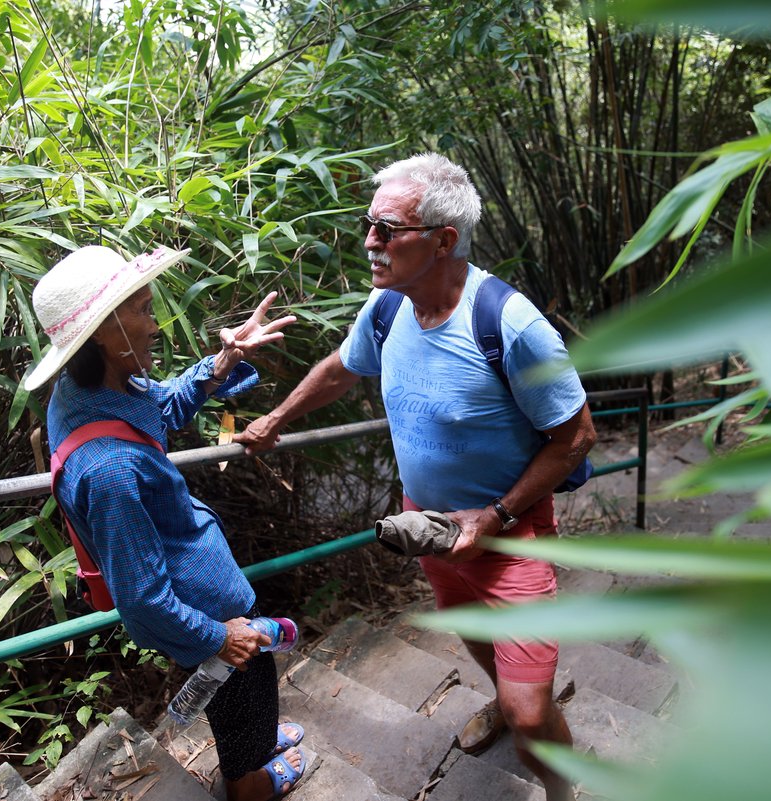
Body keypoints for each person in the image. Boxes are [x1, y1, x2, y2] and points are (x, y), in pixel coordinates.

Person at [235, 154, 596, 801]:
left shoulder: (510, 325)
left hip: (508, 532)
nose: (368, 241)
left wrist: (498, 515)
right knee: (473, 631)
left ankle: (563, 790)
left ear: (443, 240)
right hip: (427, 526)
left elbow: (577, 437)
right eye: (368, 224)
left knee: (533, 712)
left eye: (386, 228)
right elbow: (342, 368)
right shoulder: (387, 308)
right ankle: (500, 699)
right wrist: (276, 417)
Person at [23, 244, 306, 800]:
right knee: (246, 678)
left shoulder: (94, 390)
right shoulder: (106, 469)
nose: (155, 326)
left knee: (239, 696)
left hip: (192, 574)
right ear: (105, 330)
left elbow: (162, 409)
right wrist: (217, 636)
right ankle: (248, 782)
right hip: (199, 606)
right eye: (145, 311)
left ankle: (252, 742)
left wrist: (221, 365)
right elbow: (143, 596)